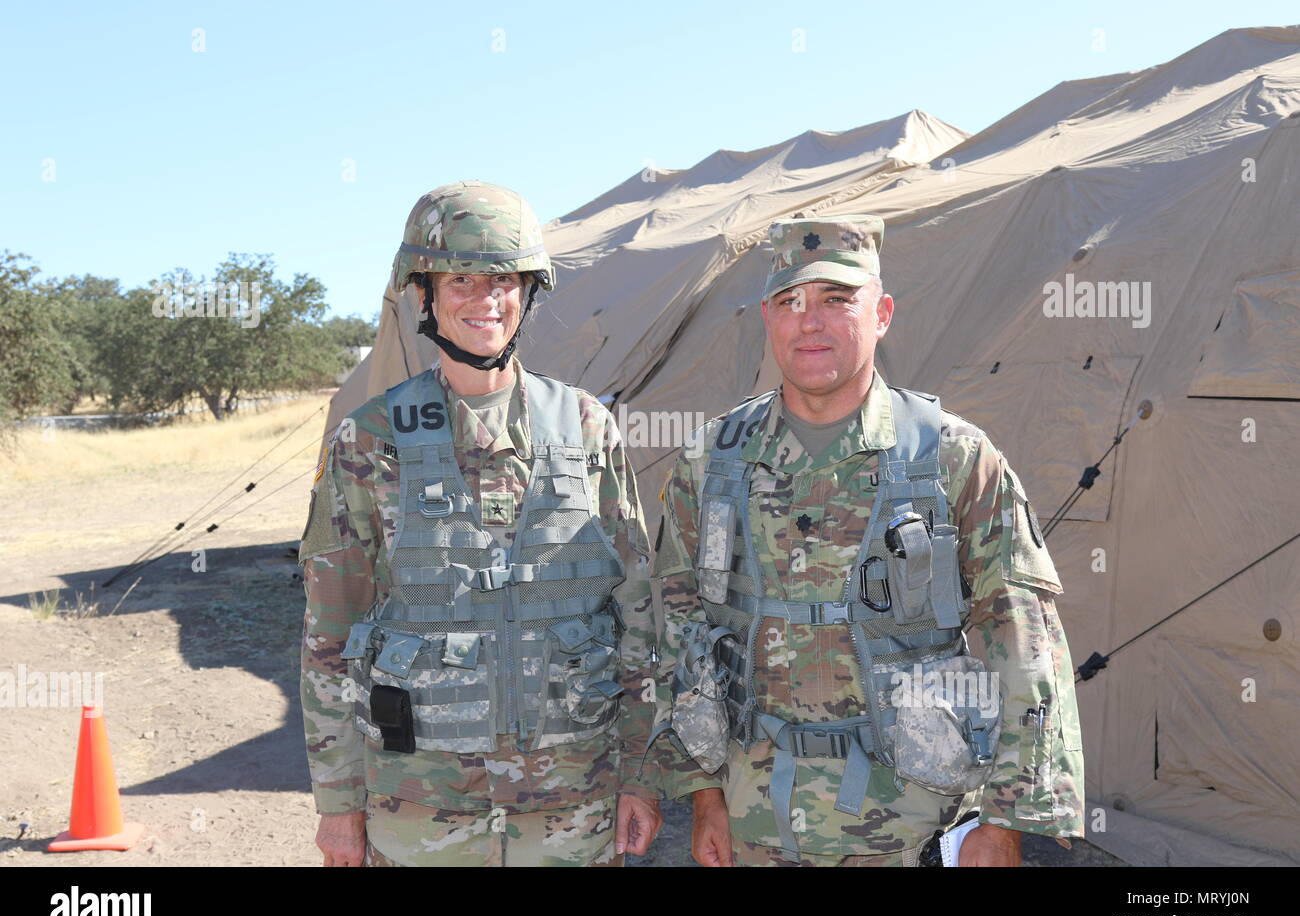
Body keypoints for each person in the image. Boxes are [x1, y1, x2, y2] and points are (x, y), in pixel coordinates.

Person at [649, 214, 1085, 866]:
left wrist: (1005, 821)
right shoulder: (713, 462)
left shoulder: (951, 456)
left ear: (880, 313)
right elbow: (681, 626)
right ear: (768, 318)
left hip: (910, 825)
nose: (810, 321)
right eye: (790, 302)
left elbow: (1022, 639)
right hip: (755, 822)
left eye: (836, 299)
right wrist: (702, 794)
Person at [298, 180, 662, 866]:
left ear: (527, 294)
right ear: (424, 294)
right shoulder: (369, 440)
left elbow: (637, 617)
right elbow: (329, 636)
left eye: (505, 281)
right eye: (461, 279)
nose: (486, 300)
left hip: (572, 810)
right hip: (421, 815)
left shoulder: (586, 428)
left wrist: (641, 777)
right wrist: (339, 805)